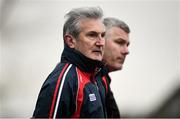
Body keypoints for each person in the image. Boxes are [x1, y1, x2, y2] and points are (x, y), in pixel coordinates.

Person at [32, 7, 107, 118]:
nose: (100, 42)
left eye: (103, 35)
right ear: (71, 41)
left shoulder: (98, 78)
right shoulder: (64, 80)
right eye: (92, 35)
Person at [100, 17, 130, 118]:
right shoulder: (73, 78)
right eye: (119, 42)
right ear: (100, 41)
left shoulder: (102, 79)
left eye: (127, 45)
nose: (126, 51)